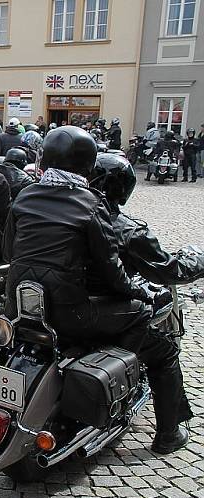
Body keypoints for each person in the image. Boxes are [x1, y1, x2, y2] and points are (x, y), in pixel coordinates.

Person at [3, 126, 172, 450]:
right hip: (70, 314)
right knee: (144, 321)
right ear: (88, 165)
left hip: (19, 307)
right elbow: (113, 273)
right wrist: (141, 293)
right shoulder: (90, 203)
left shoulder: (24, 195)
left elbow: (9, 250)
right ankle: (165, 431)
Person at [89, 153, 200, 453]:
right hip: (107, 313)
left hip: (64, 306)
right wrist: (199, 259)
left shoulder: (70, 215)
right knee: (164, 353)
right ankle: (168, 435)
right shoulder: (126, 229)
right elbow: (167, 269)